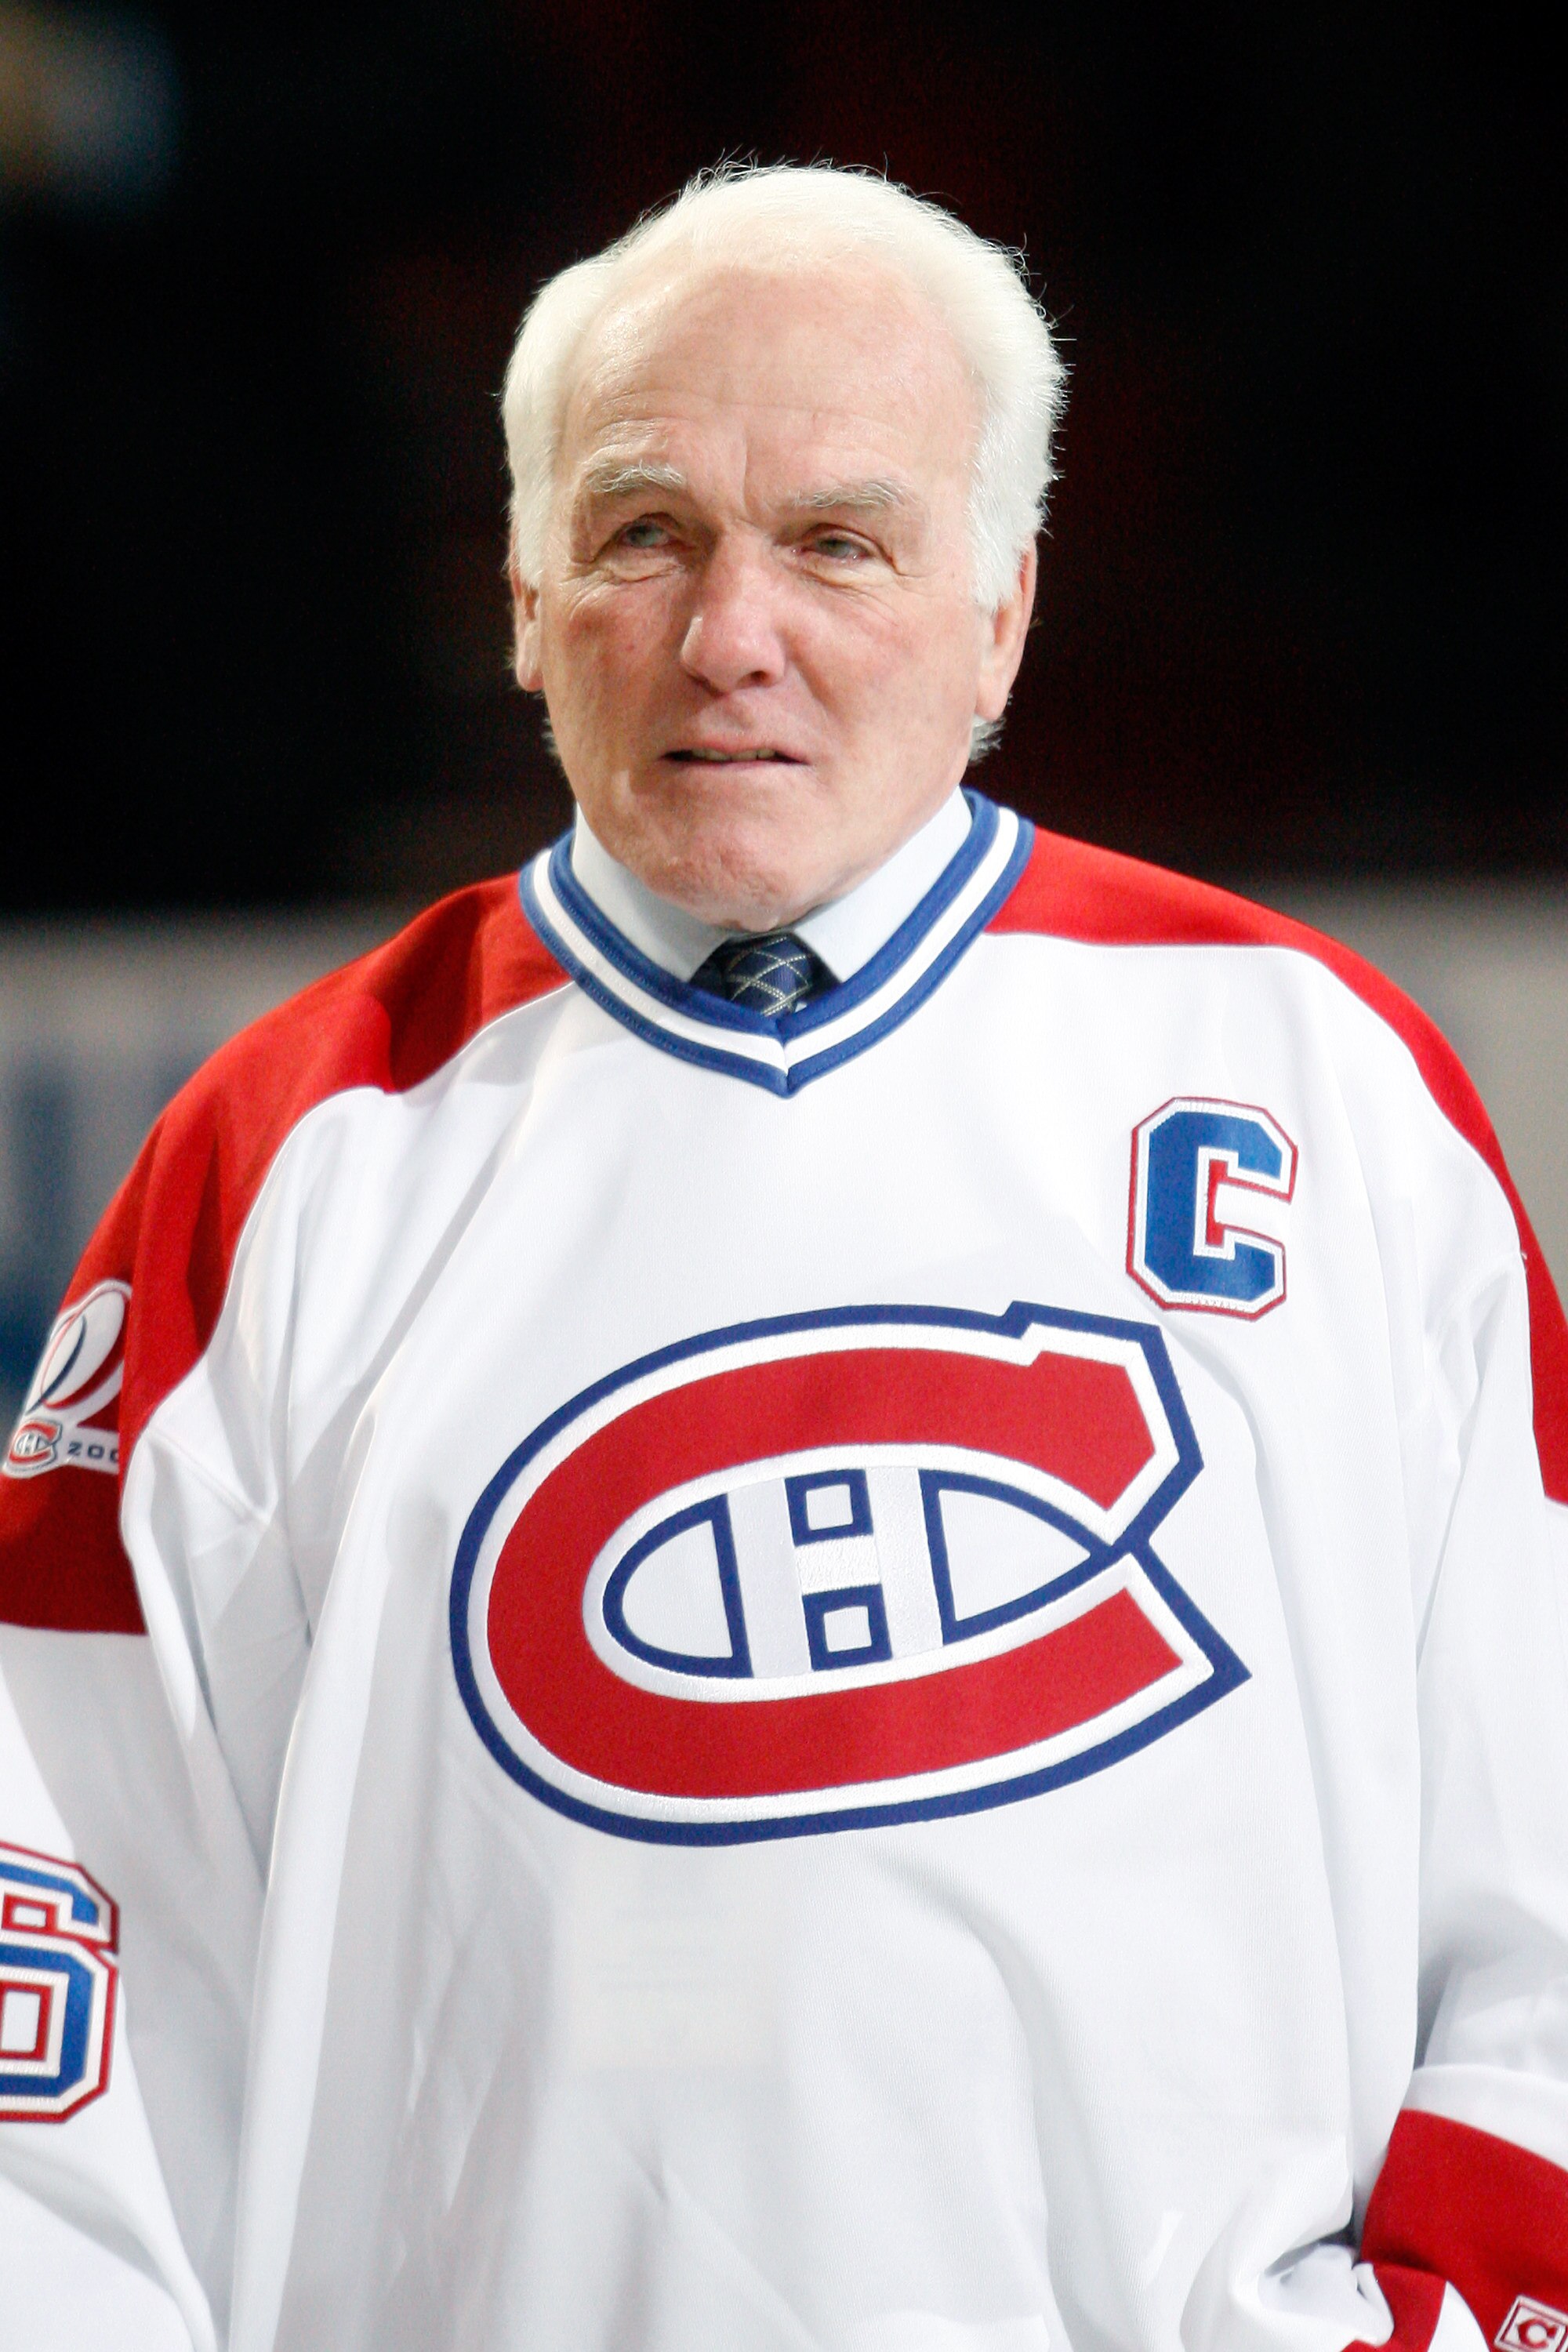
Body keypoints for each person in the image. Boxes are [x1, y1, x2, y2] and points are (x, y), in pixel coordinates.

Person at [1, 163, 1565, 2352]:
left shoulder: (1333, 1096)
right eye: (647, 535)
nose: (734, 633)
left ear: (1003, 604)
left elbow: (1541, 1867)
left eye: (839, 540)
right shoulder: (280, 1169)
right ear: (527, 593)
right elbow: (61, 1942)